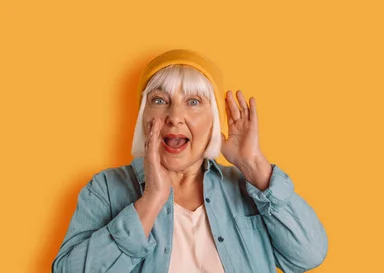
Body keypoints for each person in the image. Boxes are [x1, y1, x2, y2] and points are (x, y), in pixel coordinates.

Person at [52, 49, 328, 273]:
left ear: (214, 120)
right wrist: (151, 200)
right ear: (143, 117)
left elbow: (308, 255)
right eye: (160, 100)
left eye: (194, 102)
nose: (175, 116)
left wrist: (254, 165)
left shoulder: (247, 187)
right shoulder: (106, 189)